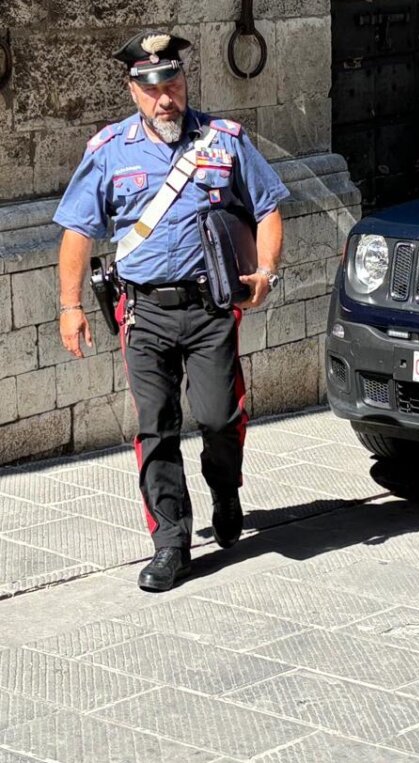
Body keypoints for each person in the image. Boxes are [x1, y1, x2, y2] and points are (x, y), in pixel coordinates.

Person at [53, 30, 289, 592]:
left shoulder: (224, 140)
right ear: (133, 89)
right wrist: (69, 306)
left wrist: (268, 269)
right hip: (145, 314)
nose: (166, 99)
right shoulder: (109, 150)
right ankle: (170, 542)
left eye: (174, 84)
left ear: (184, 82)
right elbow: (77, 231)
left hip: (209, 308)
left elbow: (270, 206)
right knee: (155, 428)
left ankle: (225, 488)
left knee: (217, 418)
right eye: (153, 88)